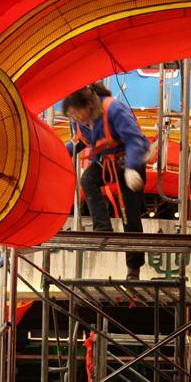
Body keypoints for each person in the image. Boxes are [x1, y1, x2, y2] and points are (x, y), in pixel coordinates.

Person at [62, 82, 150, 280]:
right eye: (71, 115)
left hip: (130, 159)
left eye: (76, 113)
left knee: (130, 217)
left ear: (88, 105)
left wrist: (131, 168)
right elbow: (77, 142)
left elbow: (135, 140)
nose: (75, 118)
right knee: (87, 179)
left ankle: (133, 269)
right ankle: (102, 228)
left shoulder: (114, 109)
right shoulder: (79, 123)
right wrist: (57, 155)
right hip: (106, 162)